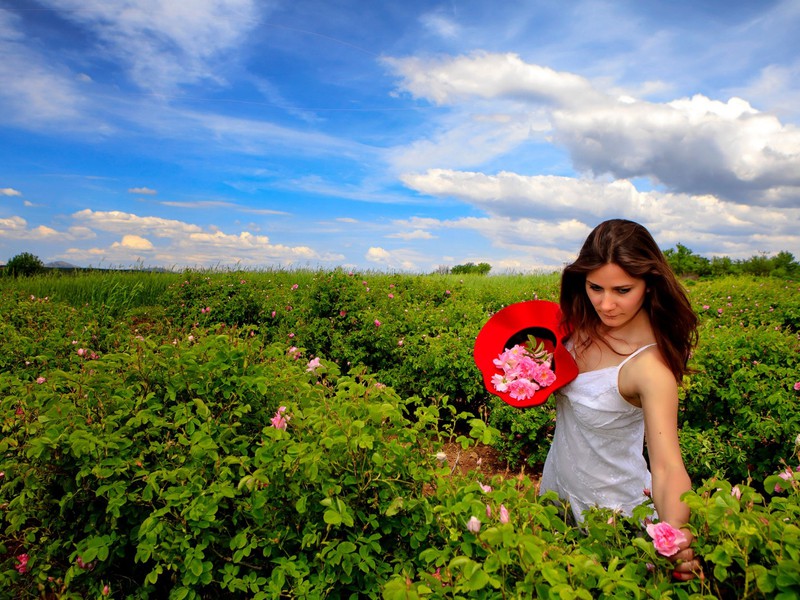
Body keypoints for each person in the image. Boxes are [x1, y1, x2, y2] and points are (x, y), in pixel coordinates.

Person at [539, 218, 701, 581]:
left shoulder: (649, 368)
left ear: (649, 285)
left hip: (612, 517)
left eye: (622, 290)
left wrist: (675, 536)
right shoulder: (578, 326)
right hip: (557, 492)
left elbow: (667, 466)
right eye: (595, 287)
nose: (606, 304)